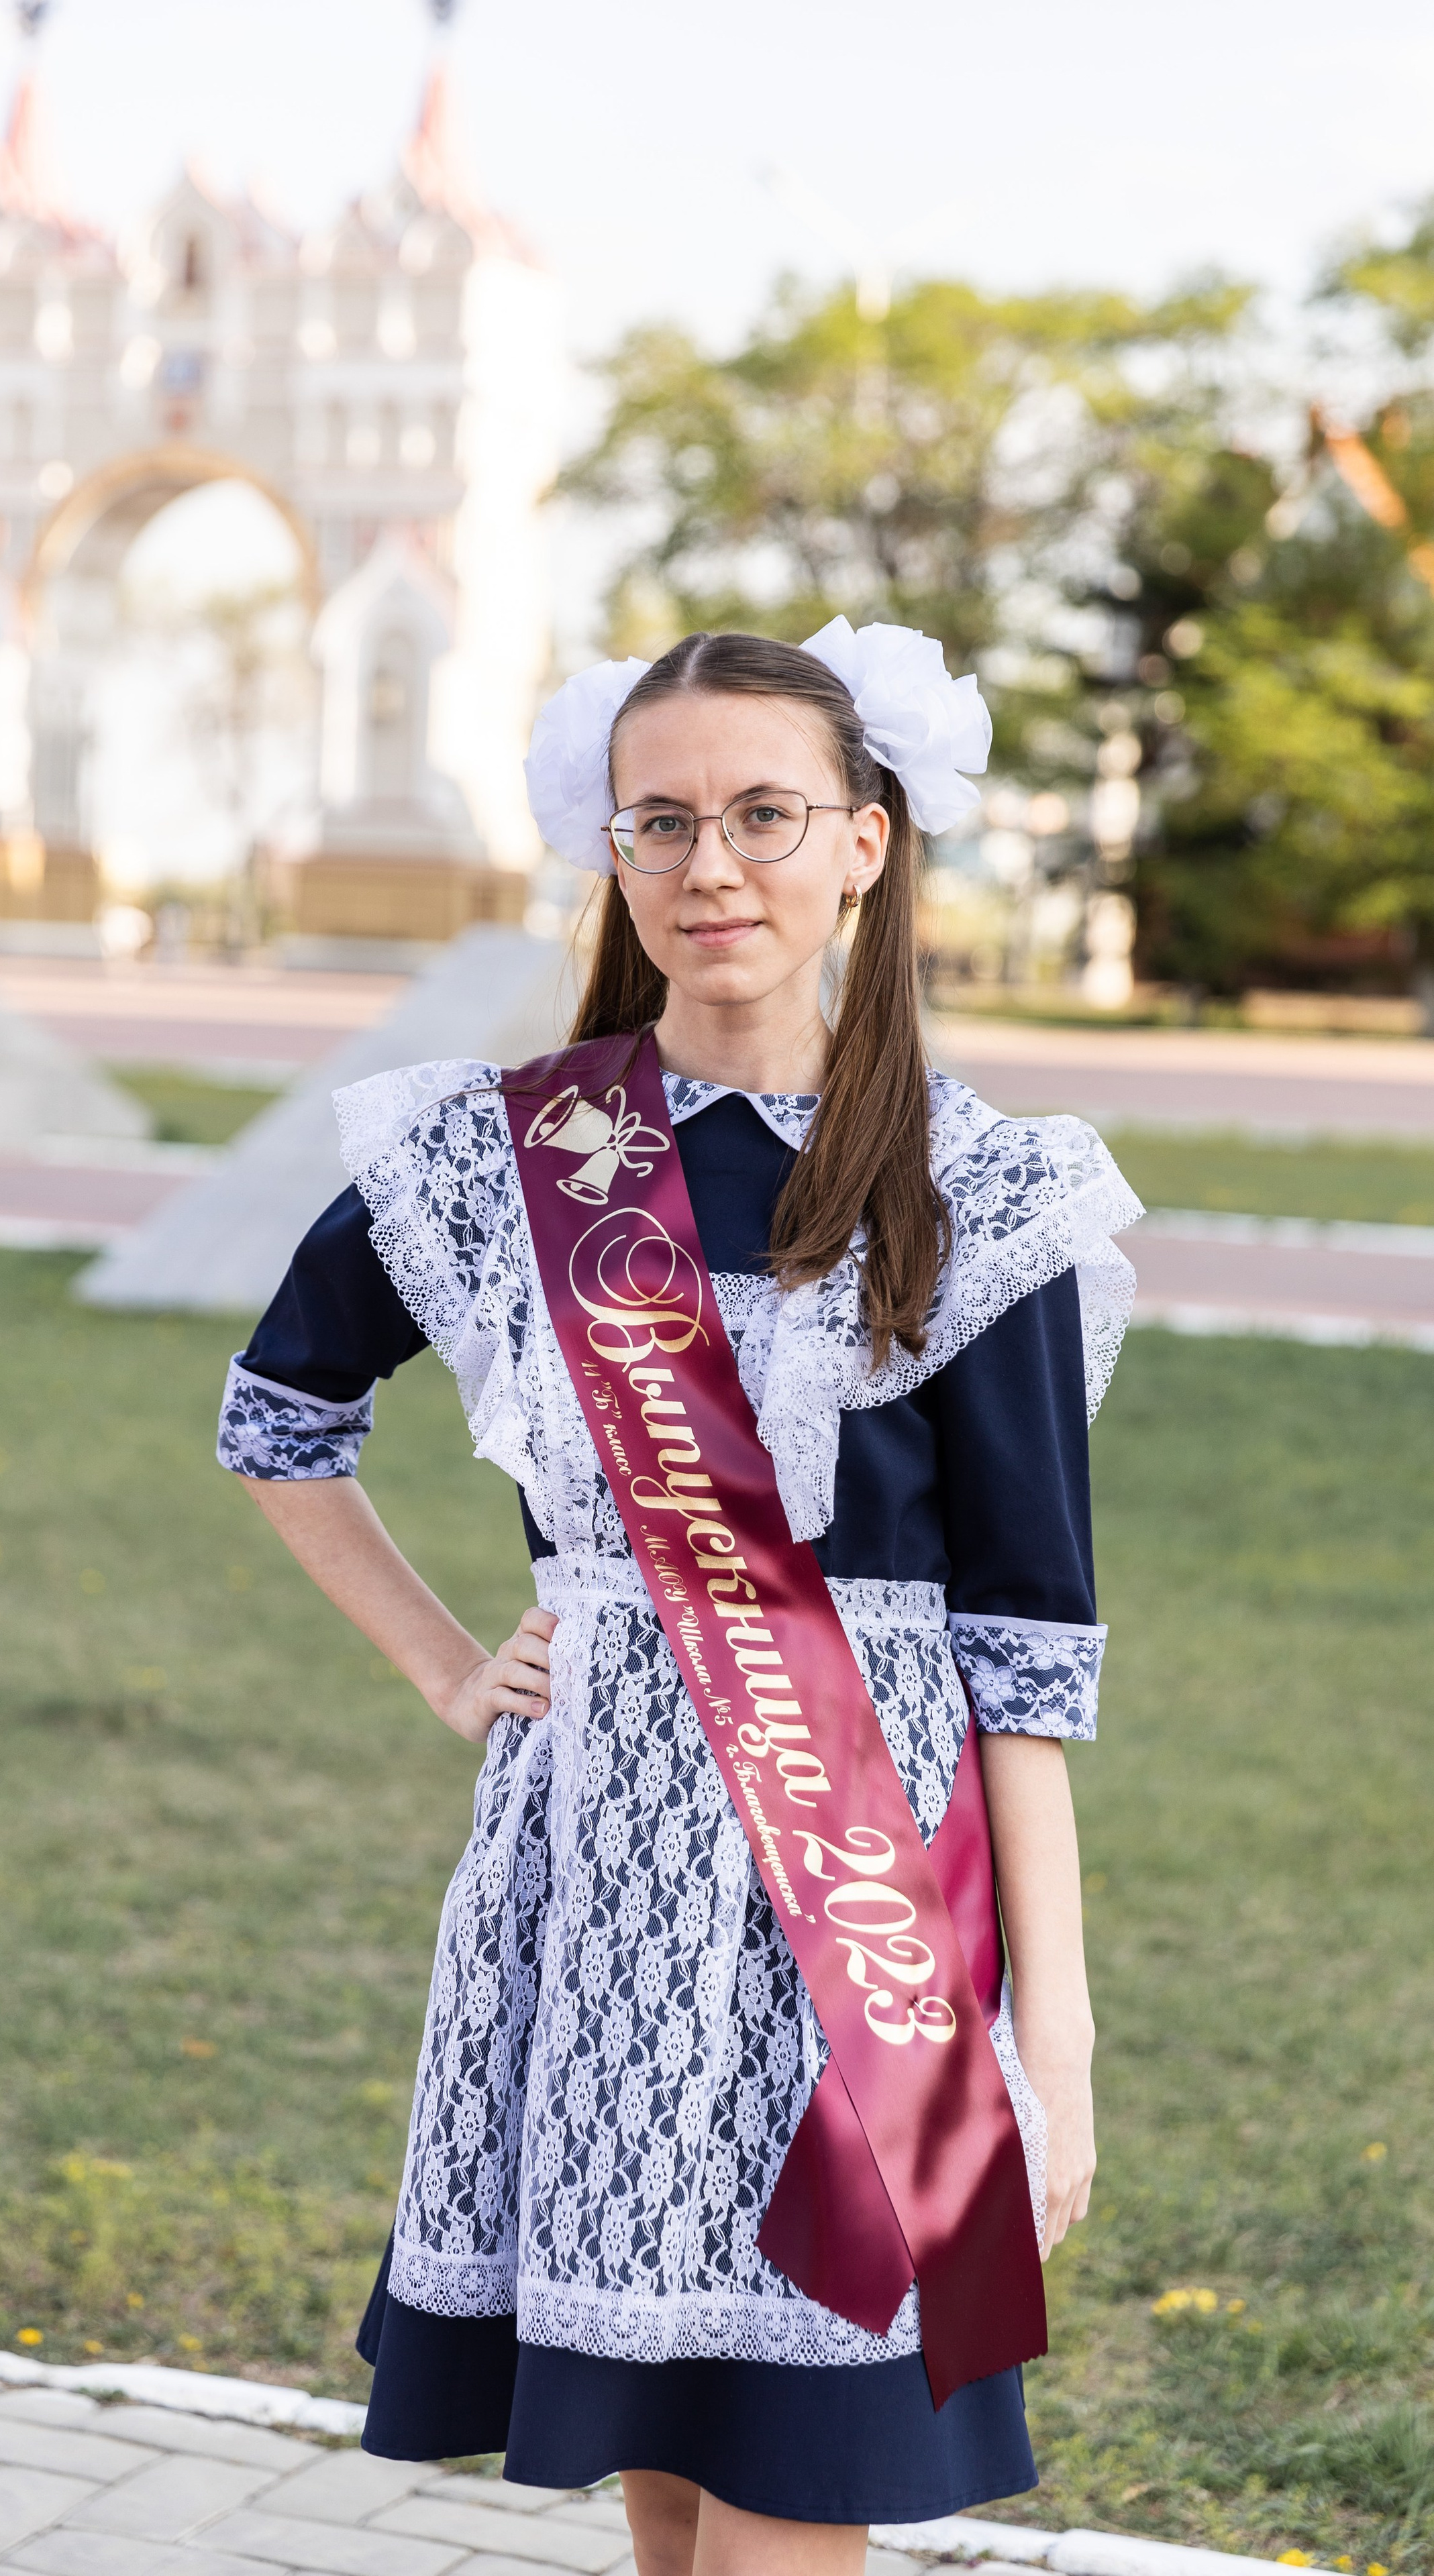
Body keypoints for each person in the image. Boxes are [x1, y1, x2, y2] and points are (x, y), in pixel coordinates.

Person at [216, 623, 1142, 2576]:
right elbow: (279, 1419)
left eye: (764, 815)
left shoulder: (981, 1195)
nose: (710, 865)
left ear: (867, 845)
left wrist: (1049, 2036)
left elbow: (1027, 1648)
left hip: (868, 1912)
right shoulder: (507, 1155)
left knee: (800, 2471)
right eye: (662, 822)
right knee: (662, 2462)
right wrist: (451, 1669)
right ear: (612, 851)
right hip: (601, 1882)